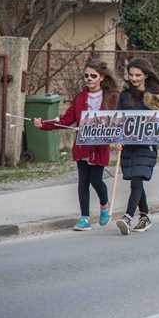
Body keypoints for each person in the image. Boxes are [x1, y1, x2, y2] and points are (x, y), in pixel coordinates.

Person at [34, 58, 119, 231]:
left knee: (96, 180)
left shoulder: (111, 97)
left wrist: (118, 139)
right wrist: (44, 124)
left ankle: (104, 205)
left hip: (99, 146)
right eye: (86, 75)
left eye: (93, 75)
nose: (88, 78)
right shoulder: (80, 97)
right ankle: (84, 218)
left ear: (102, 77)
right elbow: (66, 120)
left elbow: (118, 120)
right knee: (83, 182)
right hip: (82, 145)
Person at [115, 58, 159, 235]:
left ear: (146, 75)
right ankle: (145, 215)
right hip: (129, 146)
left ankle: (127, 217)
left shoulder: (156, 98)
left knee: (137, 180)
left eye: (138, 75)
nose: (134, 78)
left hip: (146, 146)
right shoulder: (124, 96)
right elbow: (118, 119)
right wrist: (117, 137)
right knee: (135, 180)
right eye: (131, 75)